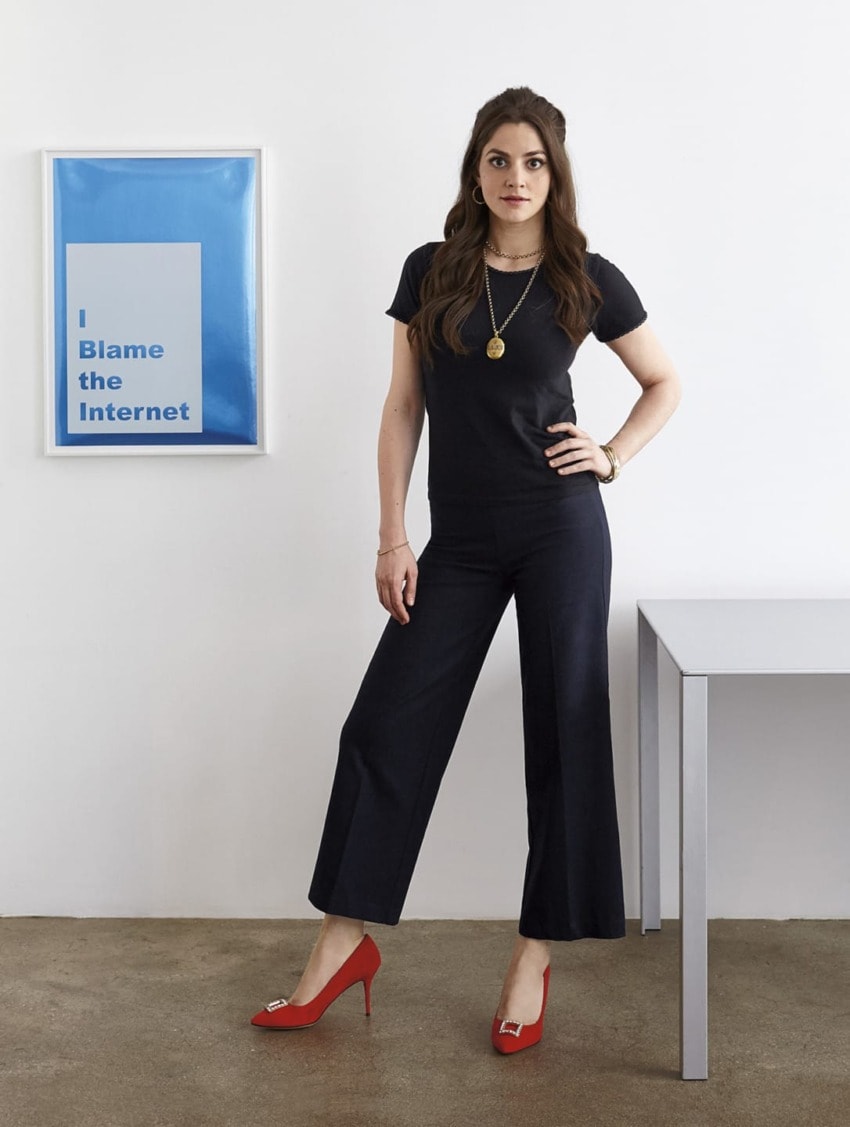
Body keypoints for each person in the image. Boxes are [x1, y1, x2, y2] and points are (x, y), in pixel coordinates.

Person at [251, 86, 681, 1053]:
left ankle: (534, 953)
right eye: (499, 159)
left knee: (563, 727)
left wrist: (611, 452)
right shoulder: (433, 271)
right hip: (460, 538)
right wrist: (391, 535)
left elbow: (665, 381)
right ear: (475, 169)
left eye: (533, 162)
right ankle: (341, 944)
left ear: (555, 173)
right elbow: (403, 407)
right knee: (386, 722)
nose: (516, 178)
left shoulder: (585, 277)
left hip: (562, 527)